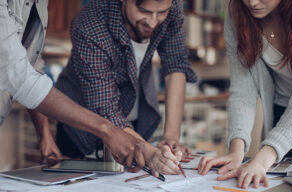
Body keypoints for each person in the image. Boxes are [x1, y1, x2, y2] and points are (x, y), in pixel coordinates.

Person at [0, 0, 175, 176]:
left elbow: (31, 67)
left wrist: (44, 134)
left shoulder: (39, 4)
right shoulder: (90, 23)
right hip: (80, 137)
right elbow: (17, 74)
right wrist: (107, 130)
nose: (153, 22)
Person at [36, 0, 197, 174]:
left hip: (134, 128)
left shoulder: (171, 5)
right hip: (83, 133)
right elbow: (105, 110)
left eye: (162, 13)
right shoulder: (90, 24)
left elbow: (176, 65)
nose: (152, 22)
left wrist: (171, 137)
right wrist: (151, 155)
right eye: (144, 11)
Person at [198, 0, 292, 189]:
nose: (252, 2)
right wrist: (236, 151)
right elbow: (243, 88)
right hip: (281, 114)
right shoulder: (238, 14)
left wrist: (262, 159)